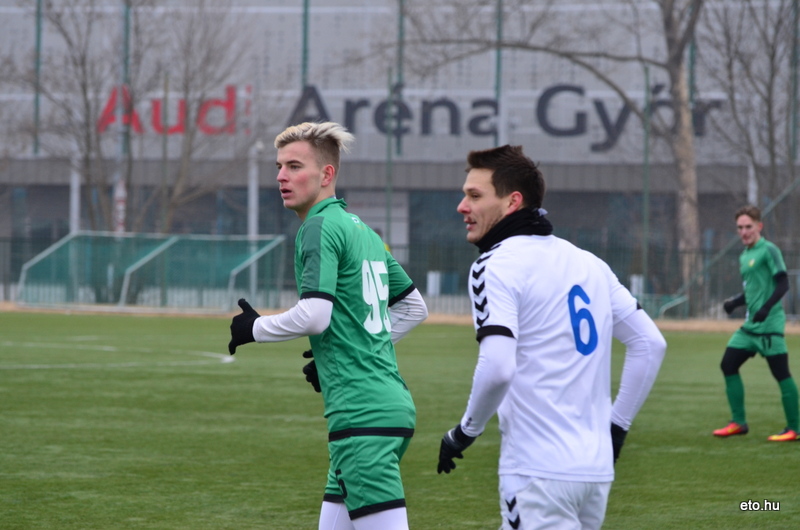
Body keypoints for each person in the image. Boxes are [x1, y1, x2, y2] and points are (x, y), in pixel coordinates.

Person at [436, 145, 666, 530]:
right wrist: (616, 430)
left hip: (536, 470)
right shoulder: (589, 262)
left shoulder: (494, 266)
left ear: (512, 202)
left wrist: (463, 433)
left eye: (474, 196)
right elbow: (650, 343)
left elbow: (497, 368)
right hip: (594, 472)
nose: (462, 206)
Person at [228, 122, 428, 530]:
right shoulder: (363, 232)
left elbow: (316, 315)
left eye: (295, 165)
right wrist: (354, 345)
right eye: (280, 166)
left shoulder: (318, 226)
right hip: (386, 408)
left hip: (362, 415)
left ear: (326, 175)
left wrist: (255, 328)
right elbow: (413, 308)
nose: (282, 176)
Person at [714, 205, 798, 441]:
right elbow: (753, 291)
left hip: (769, 327)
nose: (744, 232)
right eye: (740, 228)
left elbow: (783, 284)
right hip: (750, 328)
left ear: (759, 226)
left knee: (781, 374)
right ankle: (738, 423)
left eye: (748, 227)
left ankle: (795, 428)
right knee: (728, 364)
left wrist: (765, 309)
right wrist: (735, 302)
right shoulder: (745, 255)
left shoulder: (768, 250)